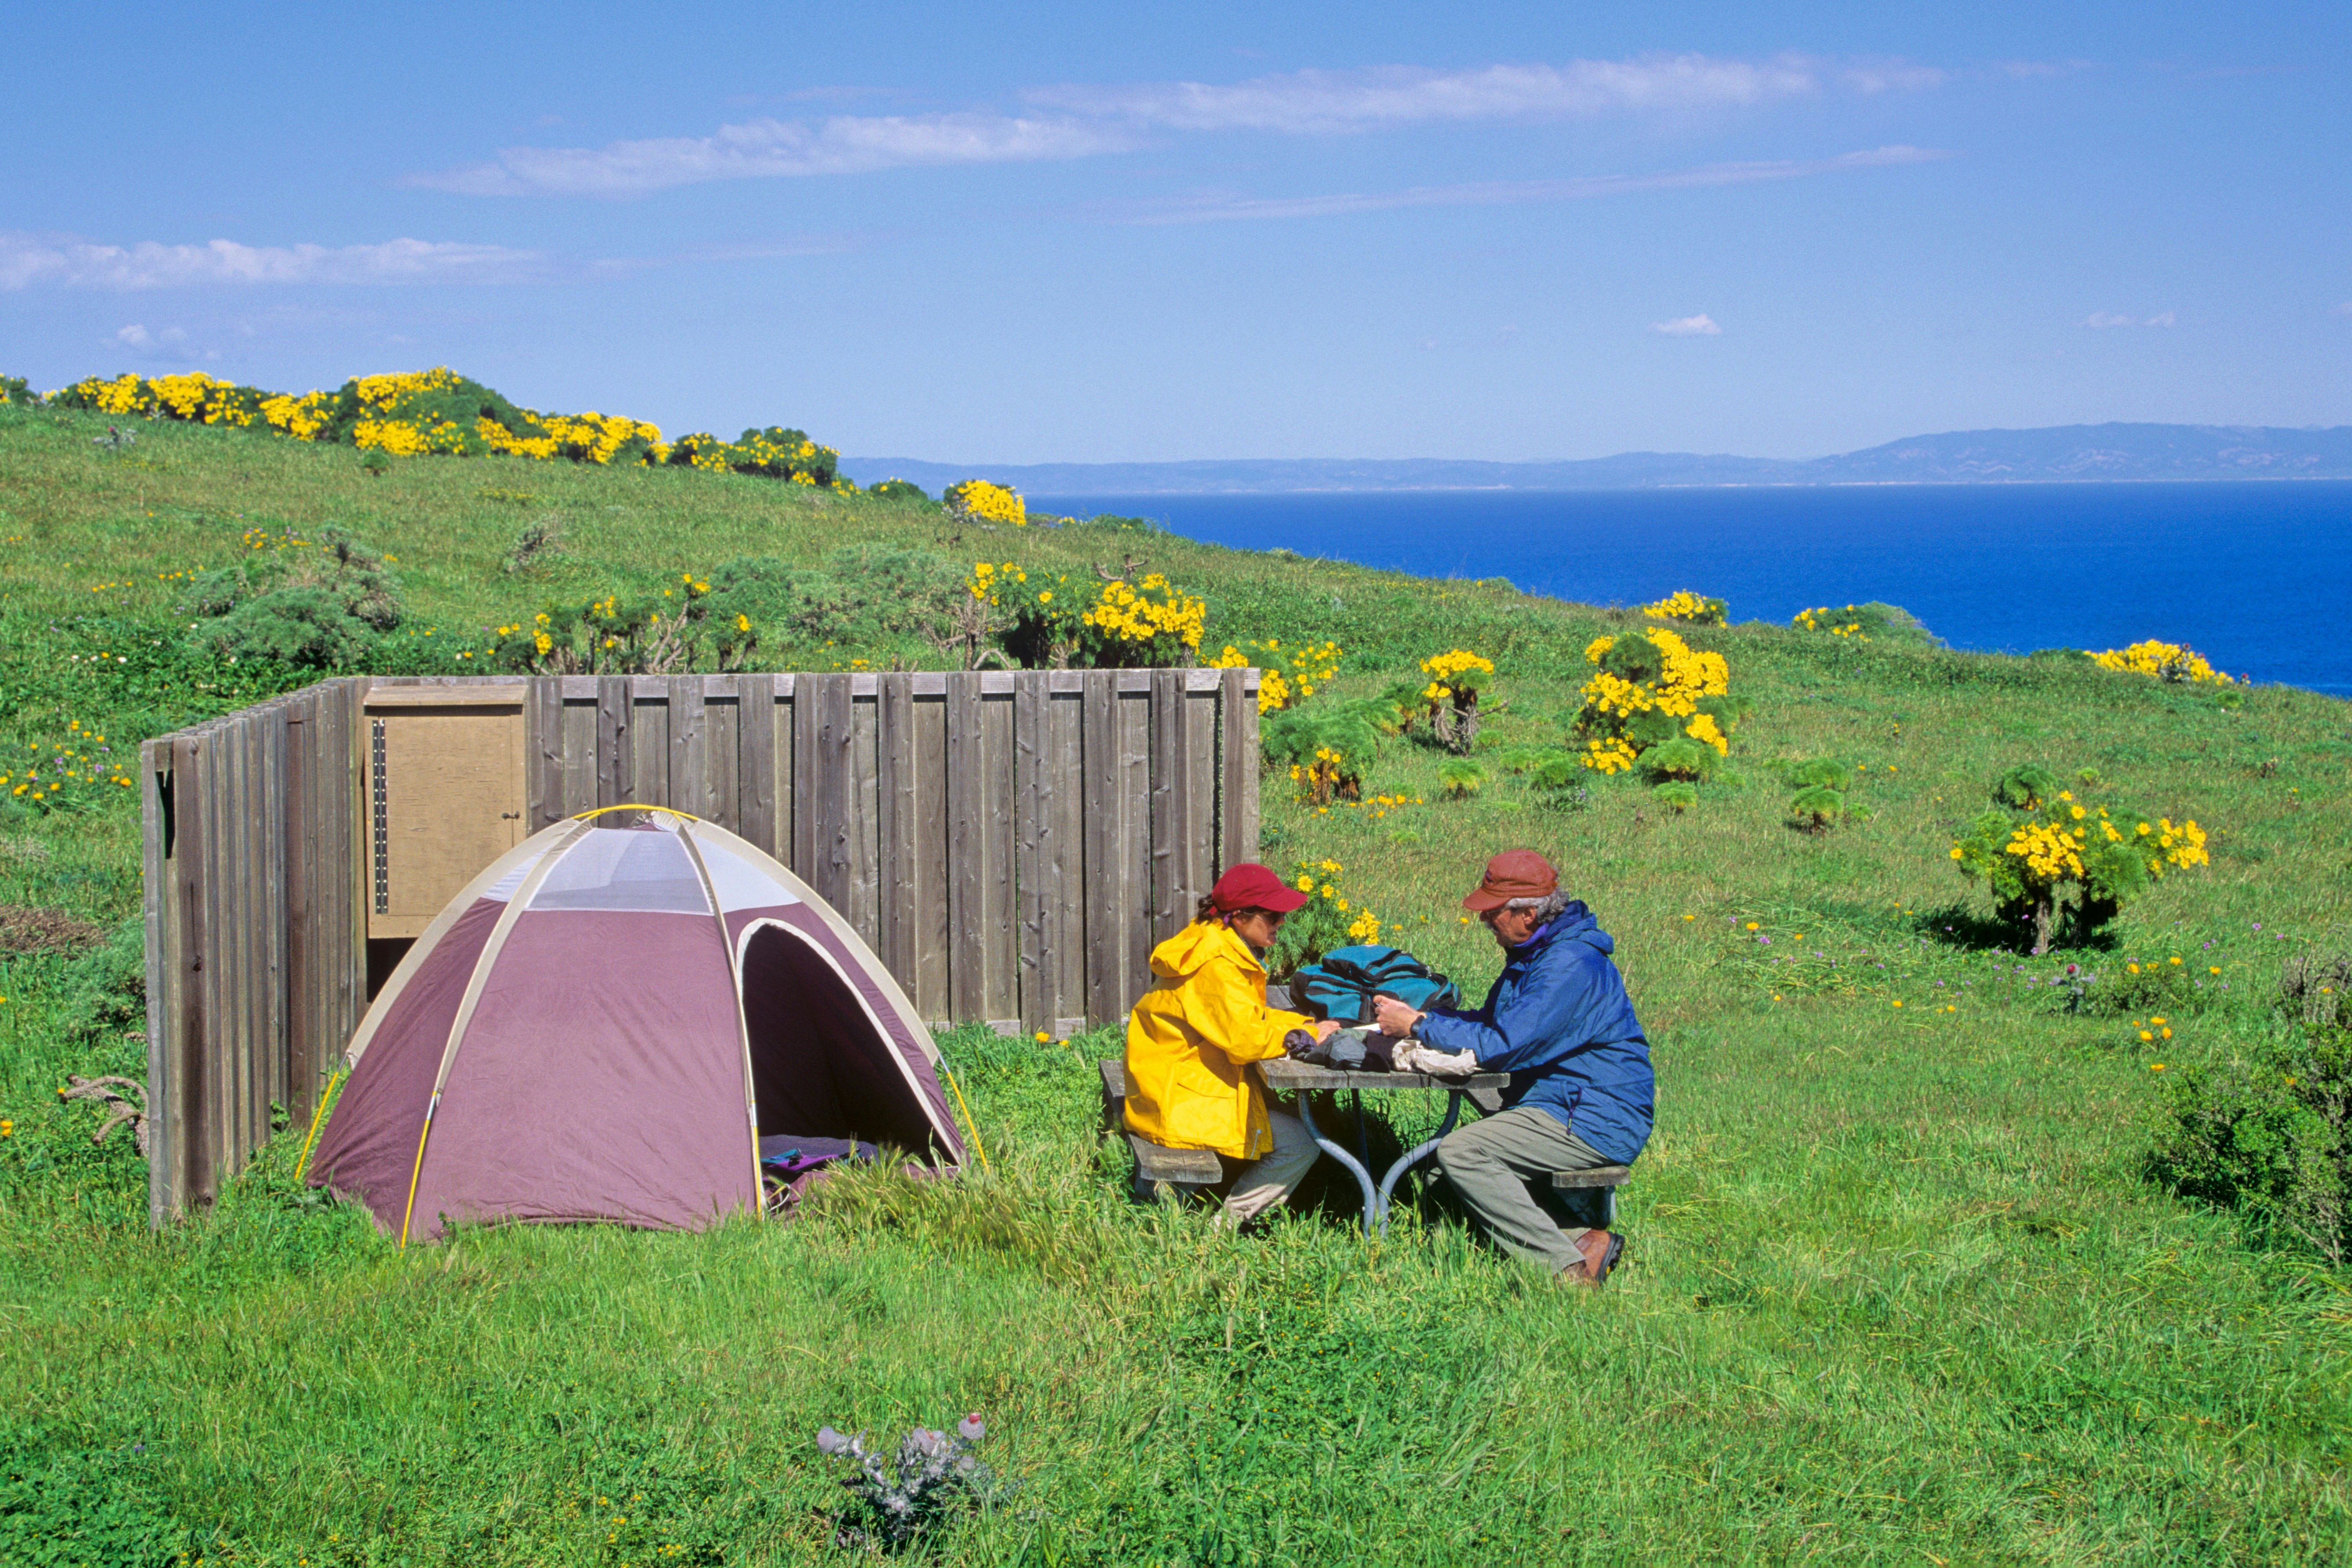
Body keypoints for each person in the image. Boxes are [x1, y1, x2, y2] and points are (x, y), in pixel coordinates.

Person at [1372, 850, 1653, 1285]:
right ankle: (1583, 1238)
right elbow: (1490, 1023)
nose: (1484, 921)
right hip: (1564, 1103)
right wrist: (1417, 1021)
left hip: (1595, 1115)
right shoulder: (1535, 955)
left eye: (1492, 912)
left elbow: (1503, 1043)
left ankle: (1566, 1272)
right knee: (1434, 1175)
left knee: (1462, 1153)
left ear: (1526, 914)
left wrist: (1417, 1024)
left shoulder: (1567, 964)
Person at [1124, 862, 1342, 1226]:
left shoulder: (1214, 942)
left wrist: (1304, 1024)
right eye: (1273, 915)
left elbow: (1245, 1018)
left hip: (1170, 1086)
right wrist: (1302, 1037)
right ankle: (1224, 1229)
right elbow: (1244, 1041)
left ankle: (1201, 1220)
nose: (1281, 922)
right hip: (1180, 1102)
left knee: (1285, 1125)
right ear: (1239, 917)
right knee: (1300, 1144)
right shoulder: (1217, 964)